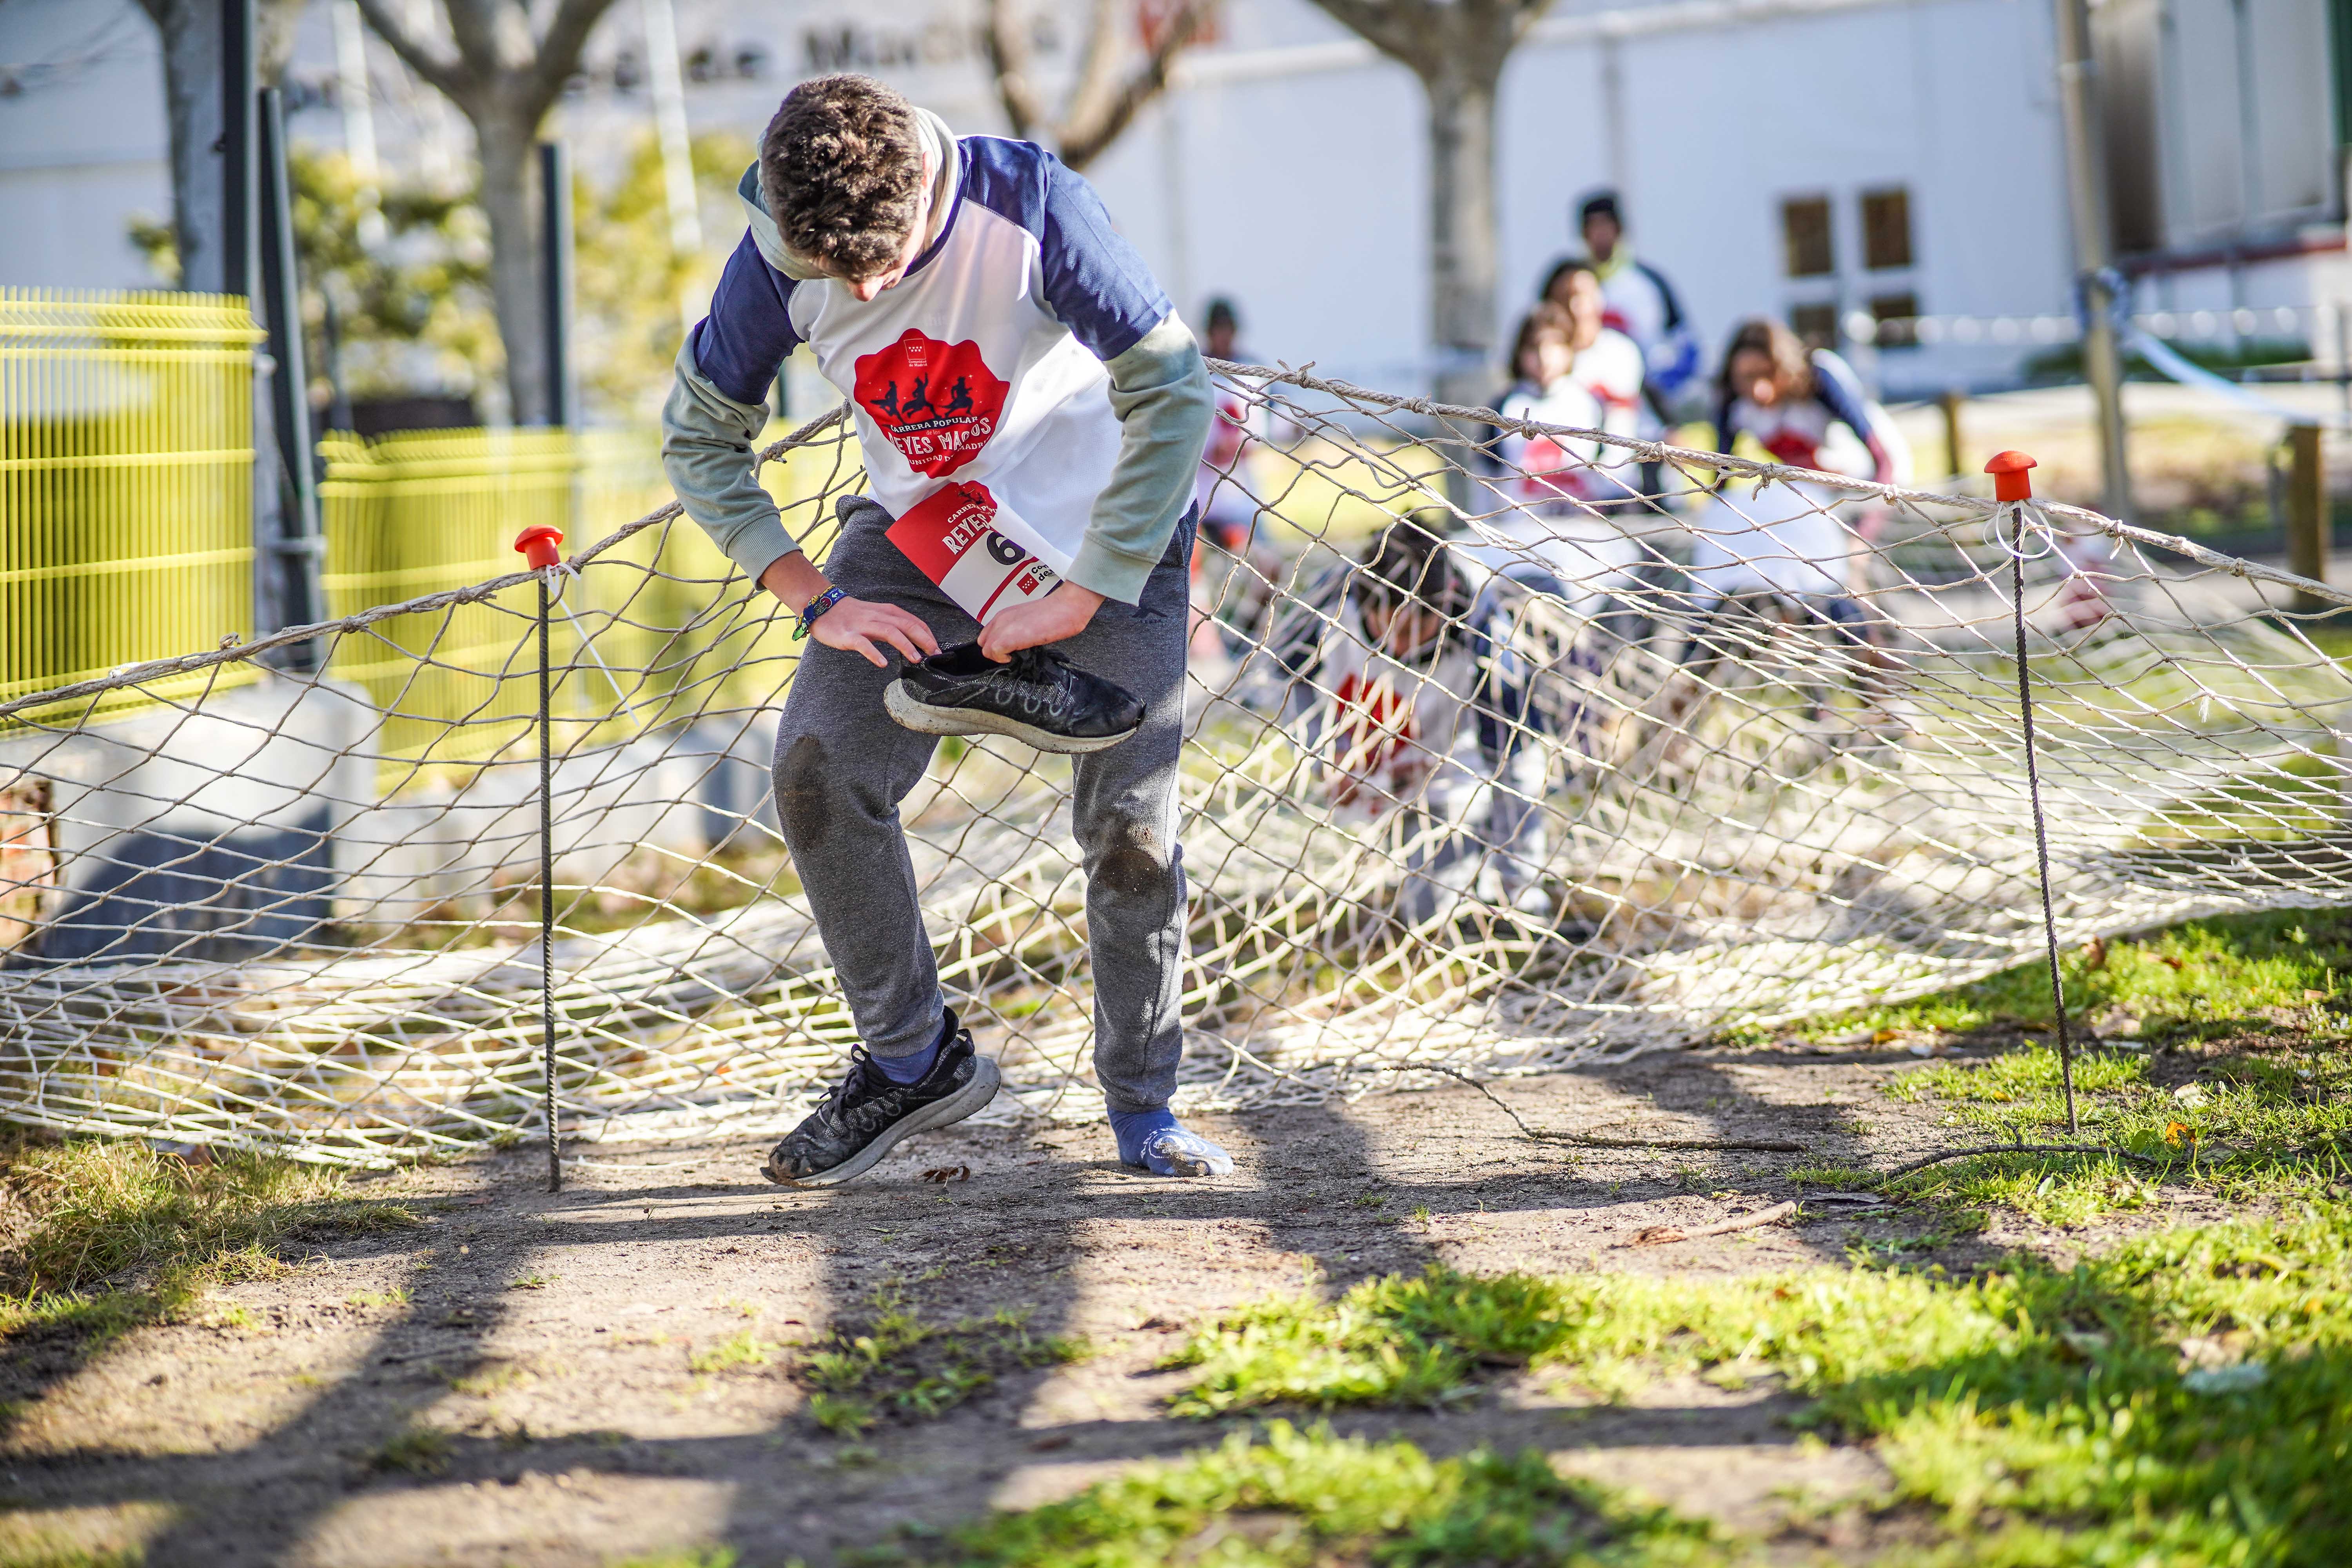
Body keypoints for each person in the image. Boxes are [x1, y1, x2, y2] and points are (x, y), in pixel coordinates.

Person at [660, 74, 1230, 1185]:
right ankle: (913, 1059)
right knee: (817, 772)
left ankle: (1143, 1109)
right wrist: (812, 595)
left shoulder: (1033, 203)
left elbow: (1173, 390)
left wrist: (1083, 595)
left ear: (928, 189)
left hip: (1109, 532)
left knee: (1131, 827)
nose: (866, 287)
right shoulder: (777, 252)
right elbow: (699, 438)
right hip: (919, 539)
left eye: (888, 260)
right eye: (841, 272)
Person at [1277, 517, 1559, 923]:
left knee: (1434, 914)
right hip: (1363, 767)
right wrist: (1323, 755)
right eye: (1388, 623)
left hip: (1448, 772)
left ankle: (1490, 876)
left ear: (1444, 605)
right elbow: (1284, 677)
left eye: (1415, 626)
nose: (1398, 641)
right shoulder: (1331, 599)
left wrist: (1520, 889)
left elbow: (1517, 761)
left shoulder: (1484, 633)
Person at [1572, 191, 1701, 497]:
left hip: (1649, 424)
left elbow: (1688, 349)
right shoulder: (1572, 284)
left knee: (1659, 508)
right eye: (1592, 228)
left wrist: (1660, 390)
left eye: (1607, 226)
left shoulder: (1649, 284)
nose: (1600, 235)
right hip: (1588, 425)